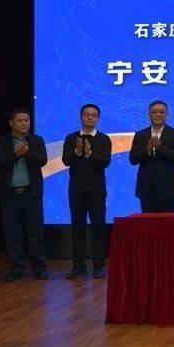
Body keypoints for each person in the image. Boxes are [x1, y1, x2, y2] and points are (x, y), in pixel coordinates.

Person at [0, 107, 48, 282]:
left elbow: (42, 160)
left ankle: (39, 268)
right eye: (20, 121)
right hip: (9, 195)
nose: (24, 124)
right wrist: (16, 154)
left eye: (27, 120)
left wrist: (27, 153)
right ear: (11, 123)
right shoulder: (2, 142)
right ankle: (16, 269)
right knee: (13, 234)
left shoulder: (36, 140)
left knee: (35, 234)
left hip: (31, 194)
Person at [61, 104, 112, 279]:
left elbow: (105, 162)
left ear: (98, 118)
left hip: (97, 190)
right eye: (86, 114)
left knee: (98, 227)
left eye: (94, 115)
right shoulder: (71, 138)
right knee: (77, 228)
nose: (90, 117)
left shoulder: (104, 139)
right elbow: (66, 161)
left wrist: (90, 153)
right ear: (81, 116)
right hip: (76, 189)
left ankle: (99, 266)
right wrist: (77, 151)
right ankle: (78, 267)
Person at [128, 100, 174, 212]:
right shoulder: (140, 135)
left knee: (168, 222)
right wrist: (147, 150)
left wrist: (160, 147)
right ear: (149, 114)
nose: (158, 115)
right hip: (146, 188)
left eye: (161, 112)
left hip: (168, 188)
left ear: (167, 114)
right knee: (148, 222)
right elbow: (133, 159)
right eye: (154, 112)